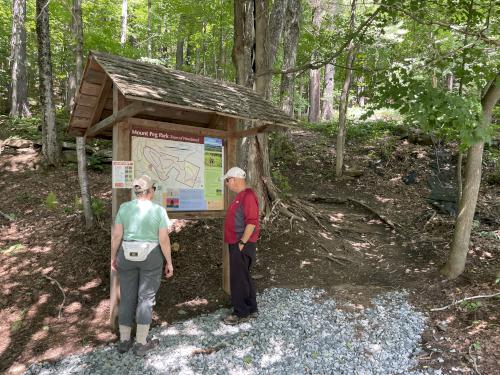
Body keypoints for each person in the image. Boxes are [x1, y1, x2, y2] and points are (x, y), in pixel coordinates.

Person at [110, 174, 174, 355]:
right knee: (145, 298)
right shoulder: (158, 210)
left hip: (126, 255)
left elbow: (116, 236)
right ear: (149, 191)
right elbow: (163, 239)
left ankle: (123, 341)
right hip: (151, 256)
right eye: (154, 188)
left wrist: (113, 257)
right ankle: (140, 341)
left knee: (127, 296)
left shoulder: (124, 208)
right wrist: (169, 262)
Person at [222, 167, 260, 325]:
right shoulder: (241, 196)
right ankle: (251, 308)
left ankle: (241, 312)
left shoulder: (248, 196)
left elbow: (252, 221)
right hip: (238, 243)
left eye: (227, 180)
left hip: (242, 243)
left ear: (234, 179)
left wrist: (242, 243)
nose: (226, 184)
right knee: (243, 276)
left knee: (238, 279)